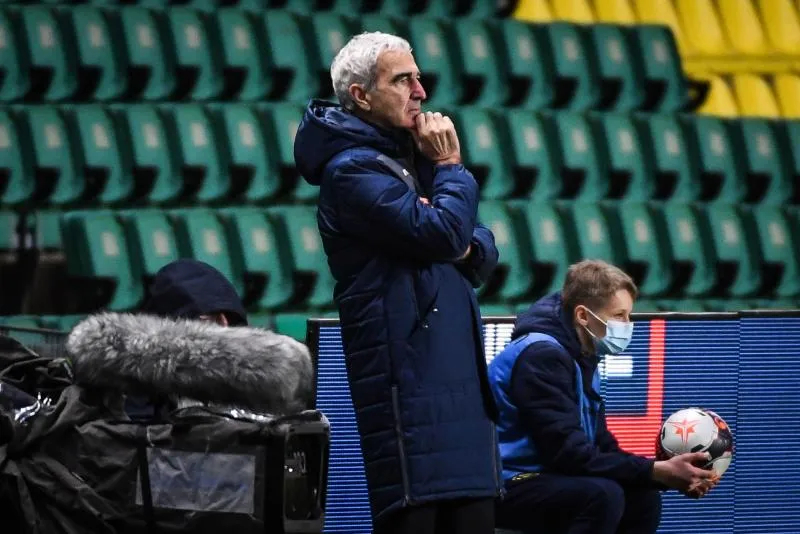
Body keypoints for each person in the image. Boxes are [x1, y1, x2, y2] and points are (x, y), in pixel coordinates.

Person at [293, 32, 502, 534]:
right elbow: (448, 233)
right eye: (403, 80)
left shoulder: (411, 157)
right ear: (361, 95)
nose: (421, 92)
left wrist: (455, 235)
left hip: (453, 379)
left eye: (419, 77)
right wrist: (450, 169)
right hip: (408, 379)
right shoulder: (351, 171)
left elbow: (480, 249)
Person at [489, 260, 719, 534]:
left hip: (545, 476)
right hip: (508, 480)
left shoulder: (582, 355)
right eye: (619, 315)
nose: (628, 325)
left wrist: (664, 475)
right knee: (602, 496)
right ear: (583, 316)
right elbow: (568, 453)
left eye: (629, 315)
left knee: (641, 497)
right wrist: (653, 471)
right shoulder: (542, 356)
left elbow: (601, 446)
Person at [68, 258, 314, 417]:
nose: (224, 329)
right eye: (210, 320)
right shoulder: (134, 403)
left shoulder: (261, 395)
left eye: (231, 320)